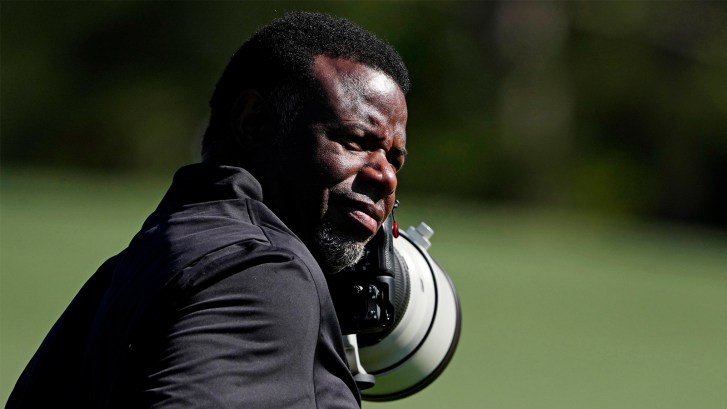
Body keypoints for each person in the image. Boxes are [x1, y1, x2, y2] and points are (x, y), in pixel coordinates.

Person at [7, 11, 410, 409]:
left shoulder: (128, 273)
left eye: (395, 159)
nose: (386, 177)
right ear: (253, 122)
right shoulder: (263, 274)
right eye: (357, 140)